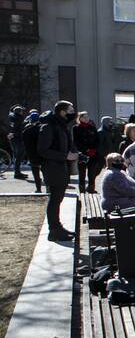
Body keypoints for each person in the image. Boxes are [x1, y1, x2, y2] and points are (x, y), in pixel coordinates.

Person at [36, 100, 78, 241]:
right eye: (71, 110)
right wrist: (65, 156)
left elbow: (63, 145)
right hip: (52, 169)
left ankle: (57, 227)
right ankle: (54, 231)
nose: (74, 113)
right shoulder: (49, 126)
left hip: (60, 168)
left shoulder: (61, 125)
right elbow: (43, 150)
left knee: (57, 200)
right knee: (54, 200)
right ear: (62, 111)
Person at [73, 111, 103, 193]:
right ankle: (82, 189)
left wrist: (94, 149)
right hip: (82, 153)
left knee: (92, 172)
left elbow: (97, 140)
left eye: (87, 117)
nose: (86, 119)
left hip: (93, 153)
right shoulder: (76, 128)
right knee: (82, 172)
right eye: (84, 117)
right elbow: (76, 142)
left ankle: (91, 188)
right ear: (80, 118)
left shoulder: (92, 127)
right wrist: (86, 150)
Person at [21, 109, 42, 192]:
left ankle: (38, 189)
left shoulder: (27, 129)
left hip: (32, 154)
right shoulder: (42, 127)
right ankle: (48, 189)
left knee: (36, 172)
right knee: (46, 172)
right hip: (44, 153)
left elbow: (25, 143)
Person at [7, 104, 26, 179]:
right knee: (19, 156)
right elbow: (19, 130)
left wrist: (15, 106)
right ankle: (17, 173)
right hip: (17, 139)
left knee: (16, 156)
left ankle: (17, 172)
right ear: (19, 112)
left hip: (12, 138)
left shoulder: (11, 116)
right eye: (21, 111)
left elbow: (10, 110)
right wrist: (14, 134)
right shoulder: (19, 119)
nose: (22, 112)